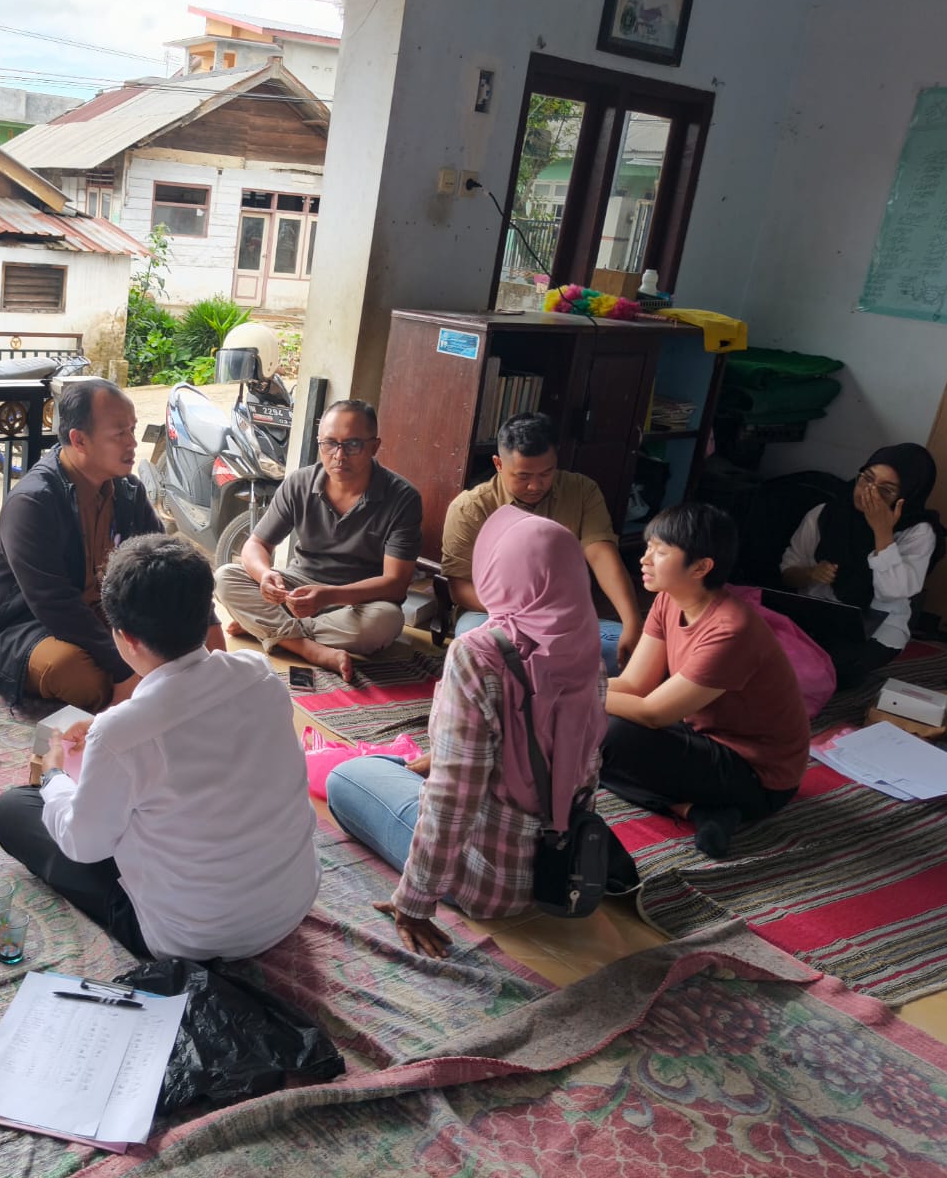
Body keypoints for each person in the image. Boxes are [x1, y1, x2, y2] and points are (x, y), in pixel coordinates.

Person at [0, 534, 320, 960]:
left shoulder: (119, 733)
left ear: (125, 637)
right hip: (291, 904)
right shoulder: (258, 672)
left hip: (194, 940)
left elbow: (84, 846)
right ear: (208, 615)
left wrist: (54, 772)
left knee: (14, 809)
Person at [324, 507, 608, 955]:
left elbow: (453, 796)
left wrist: (415, 901)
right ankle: (417, 761)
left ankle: (398, 772)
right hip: (560, 867)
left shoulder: (477, 655)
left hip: (487, 881)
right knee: (420, 764)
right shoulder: (585, 641)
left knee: (346, 777)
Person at [0, 377, 223, 711]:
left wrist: (207, 624)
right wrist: (124, 669)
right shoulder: (33, 502)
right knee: (81, 676)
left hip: (104, 618)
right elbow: (54, 604)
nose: (132, 443)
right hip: (28, 627)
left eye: (133, 430)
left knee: (179, 651)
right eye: (119, 433)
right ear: (79, 440)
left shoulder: (127, 491)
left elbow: (171, 564)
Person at [602, 503, 810, 859]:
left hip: (758, 774)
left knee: (608, 735)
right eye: (649, 547)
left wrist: (569, 691)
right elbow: (635, 684)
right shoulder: (669, 599)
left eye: (660, 551)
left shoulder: (732, 629)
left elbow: (652, 712)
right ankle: (699, 810)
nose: (645, 559)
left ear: (701, 567)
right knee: (580, 731)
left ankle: (720, 805)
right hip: (700, 734)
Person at [215, 399, 421, 680]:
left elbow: (395, 585)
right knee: (225, 576)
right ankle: (307, 648)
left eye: (353, 445)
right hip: (299, 587)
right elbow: (256, 545)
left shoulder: (403, 498)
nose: (339, 455)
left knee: (385, 623)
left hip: (358, 600)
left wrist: (329, 596)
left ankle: (266, 627)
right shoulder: (299, 483)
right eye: (329, 444)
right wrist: (264, 576)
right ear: (319, 443)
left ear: (374, 446)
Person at [441, 412, 641, 674]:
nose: (536, 485)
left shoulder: (582, 491)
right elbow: (459, 588)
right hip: (493, 615)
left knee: (635, 651)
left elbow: (601, 554)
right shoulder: (471, 507)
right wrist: (525, 616)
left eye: (546, 473)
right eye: (523, 476)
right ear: (498, 464)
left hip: (563, 616)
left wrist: (632, 620)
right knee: (483, 650)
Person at [779, 444, 947, 686]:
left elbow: (893, 592)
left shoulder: (918, 532)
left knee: (819, 671)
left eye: (885, 490)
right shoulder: (826, 514)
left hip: (875, 630)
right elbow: (787, 573)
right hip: (815, 618)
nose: (868, 492)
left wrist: (882, 531)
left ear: (905, 498)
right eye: (866, 479)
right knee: (756, 651)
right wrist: (810, 573)